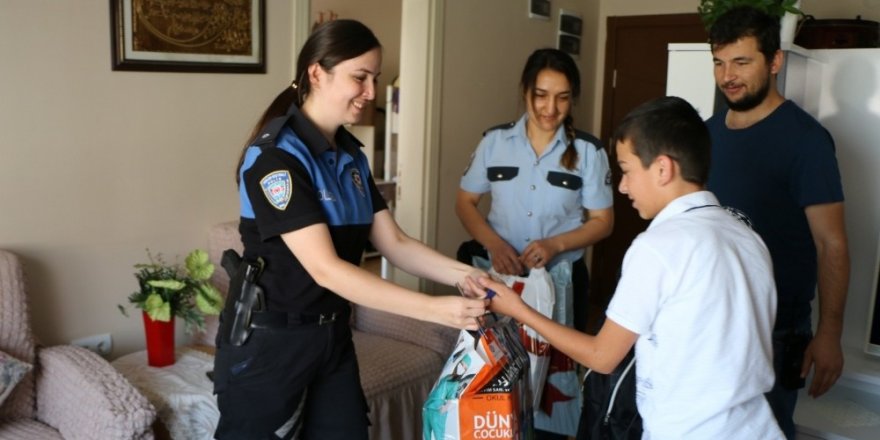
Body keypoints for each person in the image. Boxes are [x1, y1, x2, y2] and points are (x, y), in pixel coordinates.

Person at [212, 19, 487, 440]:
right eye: (360, 78)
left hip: (331, 335)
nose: (372, 93)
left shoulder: (350, 156)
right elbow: (326, 269)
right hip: (272, 342)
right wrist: (436, 309)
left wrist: (464, 275)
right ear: (317, 73)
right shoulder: (275, 159)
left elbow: (394, 243)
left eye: (374, 79)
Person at [470, 96, 785, 438]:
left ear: (663, 169)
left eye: (627, 170)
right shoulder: (747, 236)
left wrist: (518, 309)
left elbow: (602, 356)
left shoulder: (659, 247)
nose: (621, 186)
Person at [706, 7, 850, 439]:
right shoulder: (707, 133)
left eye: (742, 61)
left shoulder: (806, 141)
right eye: (719, 61)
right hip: (711, 320)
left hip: (775, 331)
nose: (727, 75)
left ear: (774, 62)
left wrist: (828, 335)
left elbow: (832, 245)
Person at [455, 48, 613, 439]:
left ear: (572, 98)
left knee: (555, 385)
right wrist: (494, 244)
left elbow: (603, 223)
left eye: (562, 97)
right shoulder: (494, 143)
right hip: (499, 279)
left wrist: (557, 244)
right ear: (525, 92)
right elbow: (466, 202)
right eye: (541, 94)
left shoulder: (589, 152)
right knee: (496, 371)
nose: (550, 107)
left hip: (561, 280)